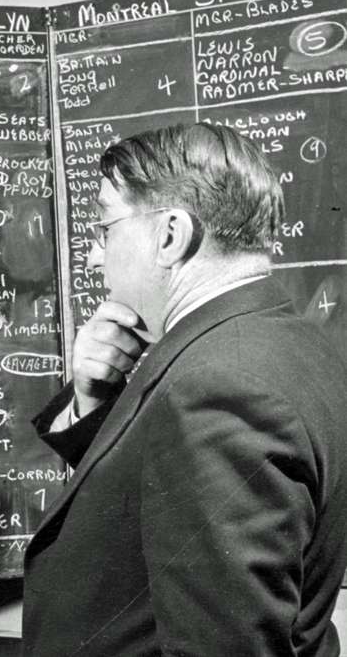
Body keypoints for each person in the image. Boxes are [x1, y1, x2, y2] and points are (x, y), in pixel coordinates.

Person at [23, 123, 347, 657]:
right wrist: (97, 400)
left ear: (170, 235)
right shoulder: (289, 342)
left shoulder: (221, 387)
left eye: (105, 228)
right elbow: (152, 503)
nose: (93, 257)